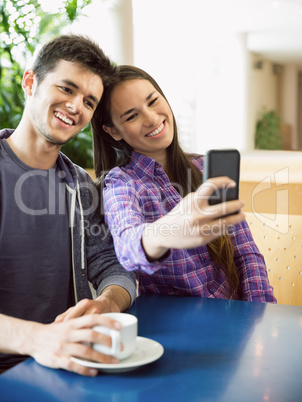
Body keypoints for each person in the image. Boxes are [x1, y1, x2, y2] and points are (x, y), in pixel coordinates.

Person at [0, 35, 137, 377]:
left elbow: (111, 264)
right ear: (30, 82)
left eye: (89, 101)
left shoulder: (79, 185)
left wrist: (108, 302)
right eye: (66, 88)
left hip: (64, 366)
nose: (76, 107)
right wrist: (38, 340)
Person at [92, 65, 276, 304]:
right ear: (113, 131)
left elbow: (246, 254)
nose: (151, 118)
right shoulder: (121, 183)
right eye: (132, 115)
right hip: (175, 328)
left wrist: (260, 313)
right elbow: (127, 246)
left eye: (153, 101)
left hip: (236, 319)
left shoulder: (203, 169)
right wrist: (168, 231)